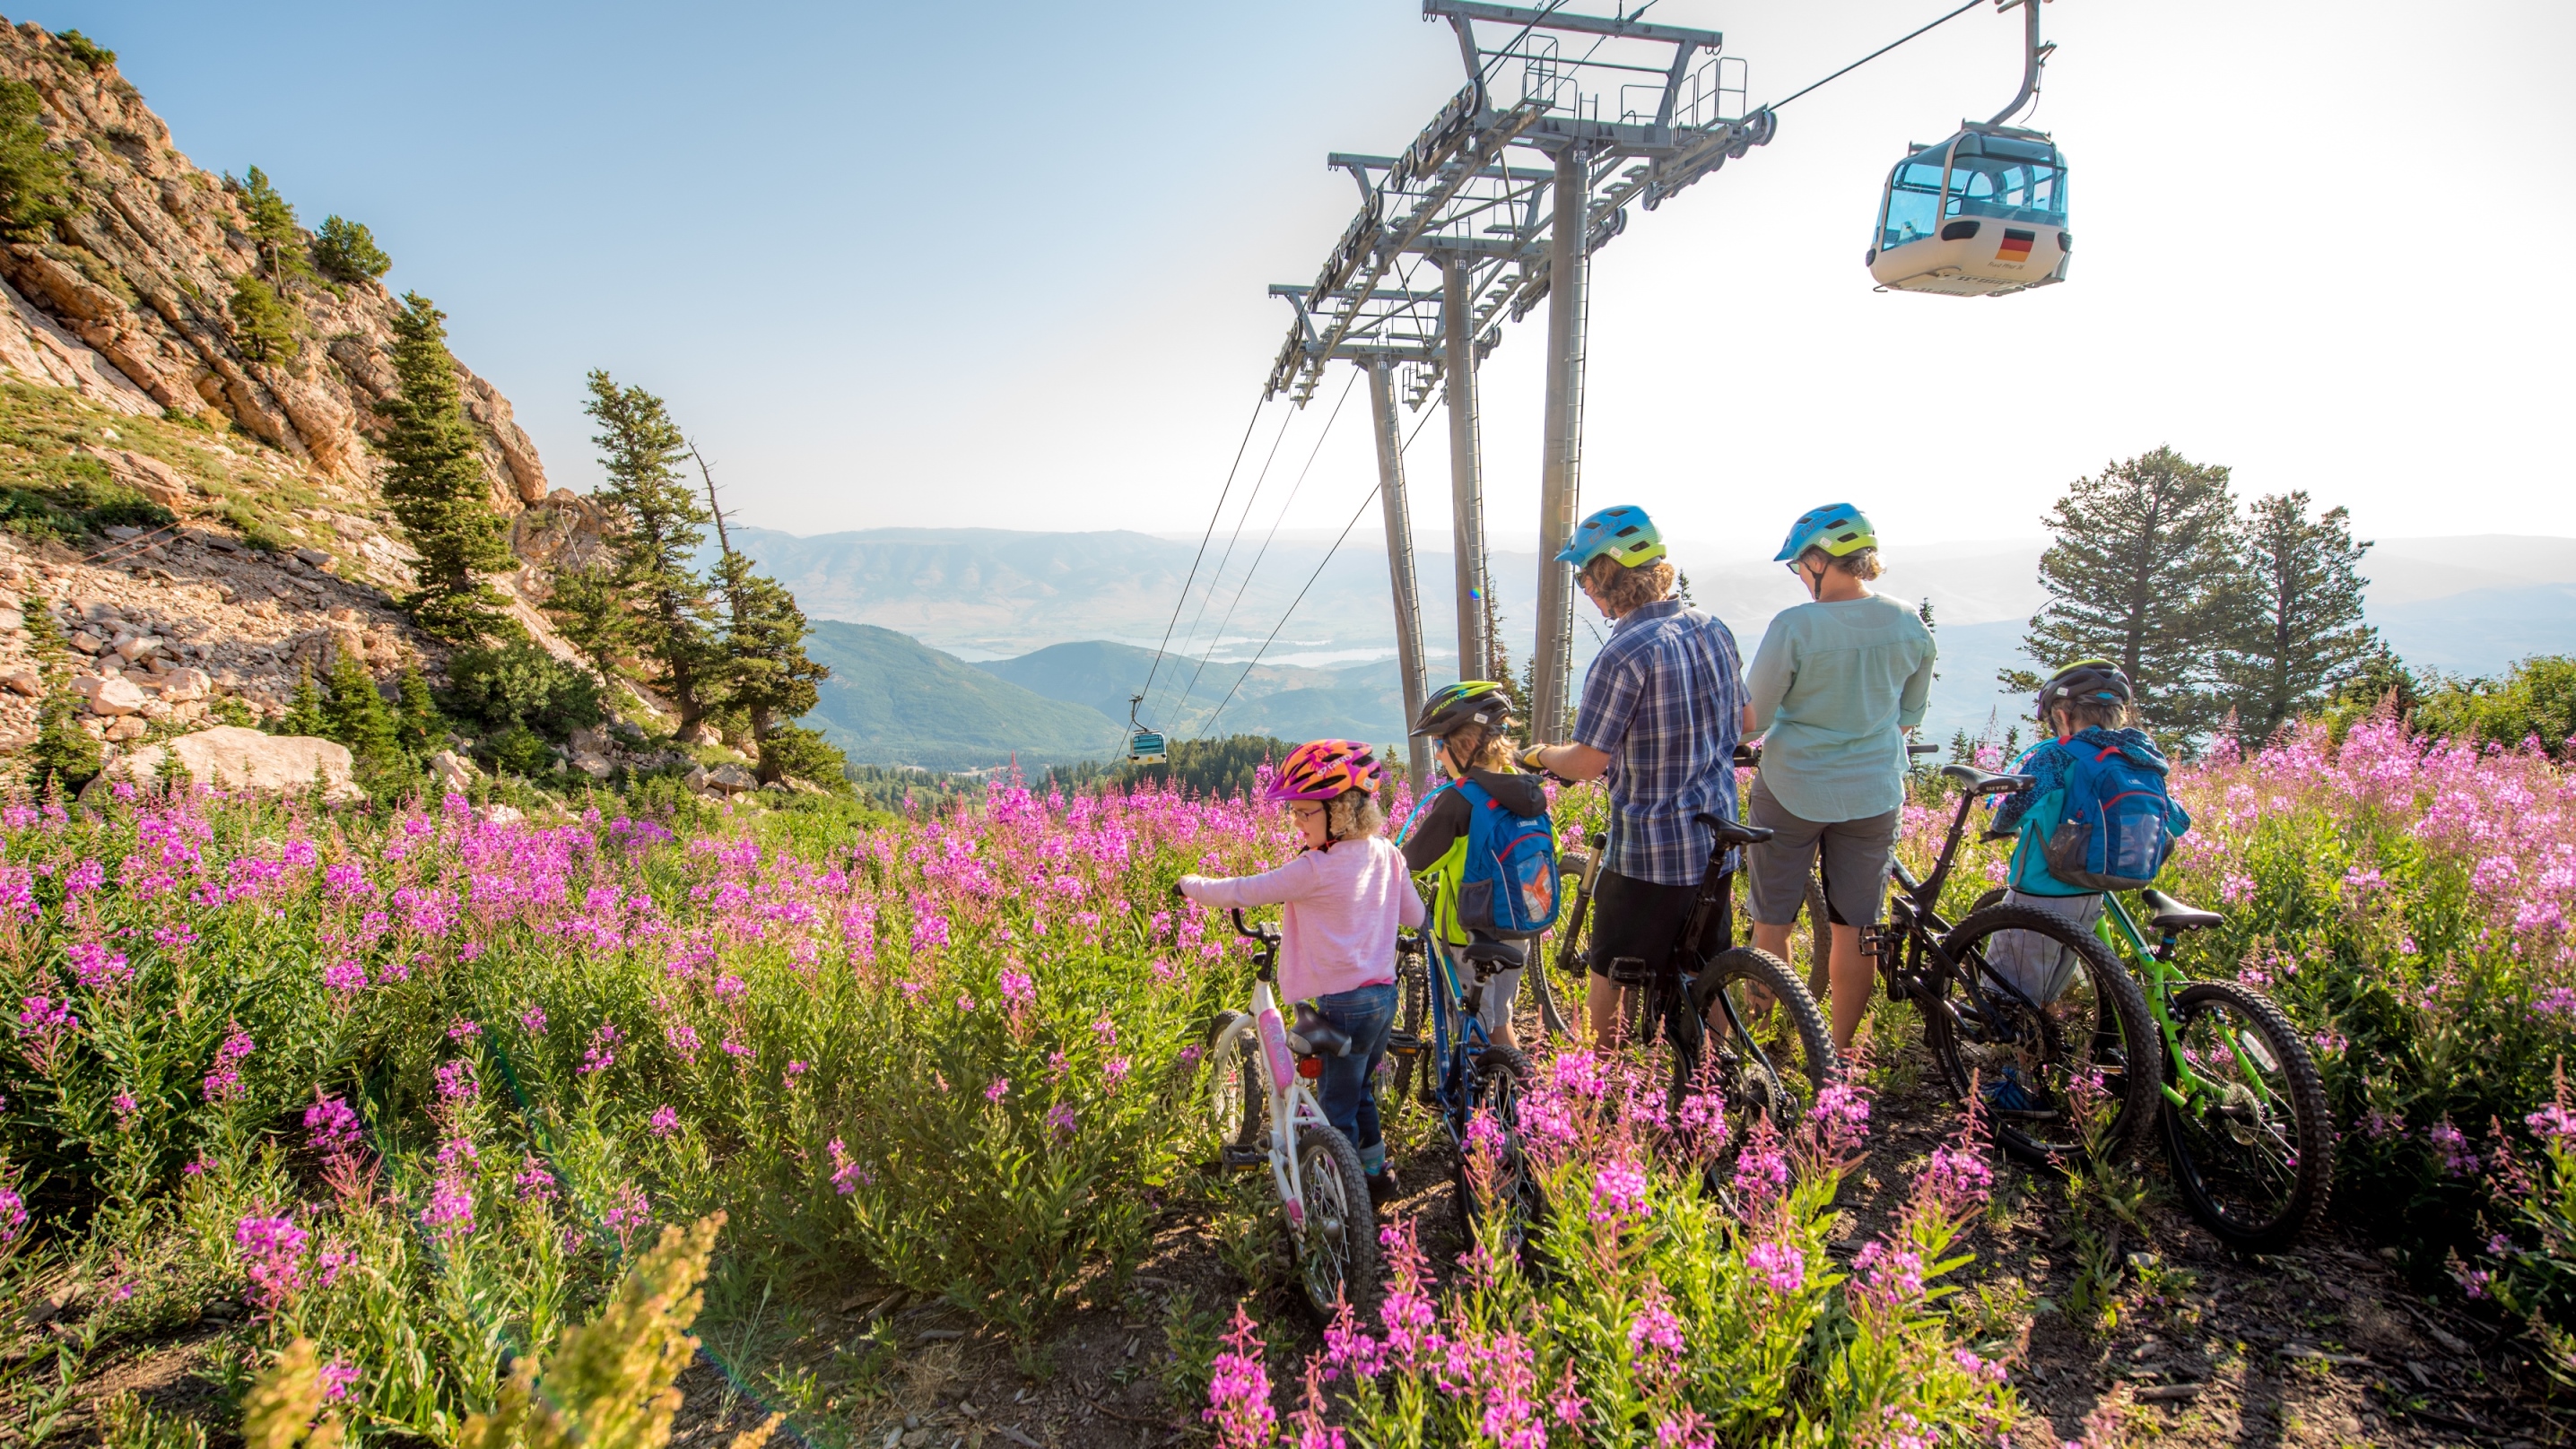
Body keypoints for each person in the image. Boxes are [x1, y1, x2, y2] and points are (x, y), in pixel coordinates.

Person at [1519, 505, 1748, 1050]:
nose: (1584, 589)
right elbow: (1748, 724)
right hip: (1718, 841)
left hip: (1651, 848)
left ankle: (1599, 1087)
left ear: (1608, 575)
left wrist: (1541, 755)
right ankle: (1714, 1081)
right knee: (1707, 969)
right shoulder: (1712, 628)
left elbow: (1588, 763)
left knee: (1611, 973)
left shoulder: (1623, 654)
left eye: (1584, 576)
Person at [1177, 739, 1422, 1204]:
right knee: (1361, 1089)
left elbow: (1244, 891)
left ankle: (1344, 1202)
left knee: (1337, 1107)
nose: (1295, 821)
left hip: (1341, 1005)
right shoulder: (1388, 854)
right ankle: (1375, 1171)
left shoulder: (1314, 868)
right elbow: (1414, 917)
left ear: (1342, 812)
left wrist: (1191, 885)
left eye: (1304, 813)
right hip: (1382, 1000)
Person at [1740, 502, 1936, 1057]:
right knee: (1859, 928)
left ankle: (1762, 1037)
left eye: (1799, 564)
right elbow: (1909, 712)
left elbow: (1754, 718)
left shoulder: (1795, 626)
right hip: (1874, 792)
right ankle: (1840, 1056)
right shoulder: (1908, 623)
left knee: (1771, 918)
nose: (1799, 576)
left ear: (1822, 560)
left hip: (1793, 786)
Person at [1984, 660, 2192, 1006]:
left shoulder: (2057, 755)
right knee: (2044, 995)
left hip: (2038, 894)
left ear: (2063, 716)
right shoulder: (2138, 758)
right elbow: (2178, 822)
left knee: (2005, 1000)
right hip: (2091, 900)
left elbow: (2010, 813)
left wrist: (1997, 827)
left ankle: (1998, 1060)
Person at [1398, 681, 1552, 1051]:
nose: (1437, 756)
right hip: (1519, 927)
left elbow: (1412, 863)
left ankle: (1489, 1107)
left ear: (1465, 745)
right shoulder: (1526, 789)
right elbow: (1552, 852)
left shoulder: (1459, 800)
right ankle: (1519, 1097)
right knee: (1500, 1022)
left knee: (1474, 1036)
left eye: (1440, 744)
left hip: (1467, 936)